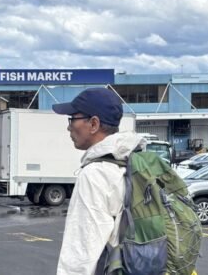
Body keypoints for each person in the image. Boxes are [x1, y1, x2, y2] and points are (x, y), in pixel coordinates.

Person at [51, 87, 145, 275]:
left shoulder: (95, 175)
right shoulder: (136, 162)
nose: (69, 127)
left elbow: (80, 255)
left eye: (72, 119)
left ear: (94, 124)